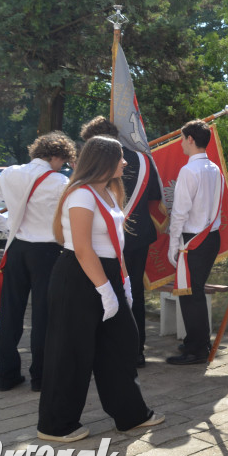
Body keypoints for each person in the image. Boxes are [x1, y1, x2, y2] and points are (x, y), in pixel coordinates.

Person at [37, 136, 163, 442]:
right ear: (104, 160)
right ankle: (56, 425)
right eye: (120, 158)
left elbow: (112, 244)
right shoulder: (81, 195)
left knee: (121, 345)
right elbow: (82, 249)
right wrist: (105, 289)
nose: (124, 162)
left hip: (105, 274)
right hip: (80, 276)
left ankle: (130, 415)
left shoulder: (106, 191)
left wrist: (121, 283)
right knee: (71, 352)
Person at [0, 132, 76, 392]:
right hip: (48, 252)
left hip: (17, 247)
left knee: (10, 314)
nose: (62, 164)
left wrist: (7, 226)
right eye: (62, 159)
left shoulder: (10, 173)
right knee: (44, 316)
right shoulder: (61, 181)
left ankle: (6, 376)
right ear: (55, 155)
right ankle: (40, 377)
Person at [80, 116, 163, 368]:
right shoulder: (145, 160)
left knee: (100, 290)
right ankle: (135, 351)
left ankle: (102, 349)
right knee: (133, 292)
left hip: (103, 236)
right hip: (138, 237)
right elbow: (155, 198)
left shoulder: (96, 164)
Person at [166, 120, 222, 364]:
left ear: (190, 139)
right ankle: (196, 341)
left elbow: (179, 212)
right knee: (193, 292)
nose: (180, 144)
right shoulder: (214, 168)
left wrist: (173, 244)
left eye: (181, 139)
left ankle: (198, 350)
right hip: (210, 236)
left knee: (190, 294)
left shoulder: (189, 170)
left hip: (193, 239)